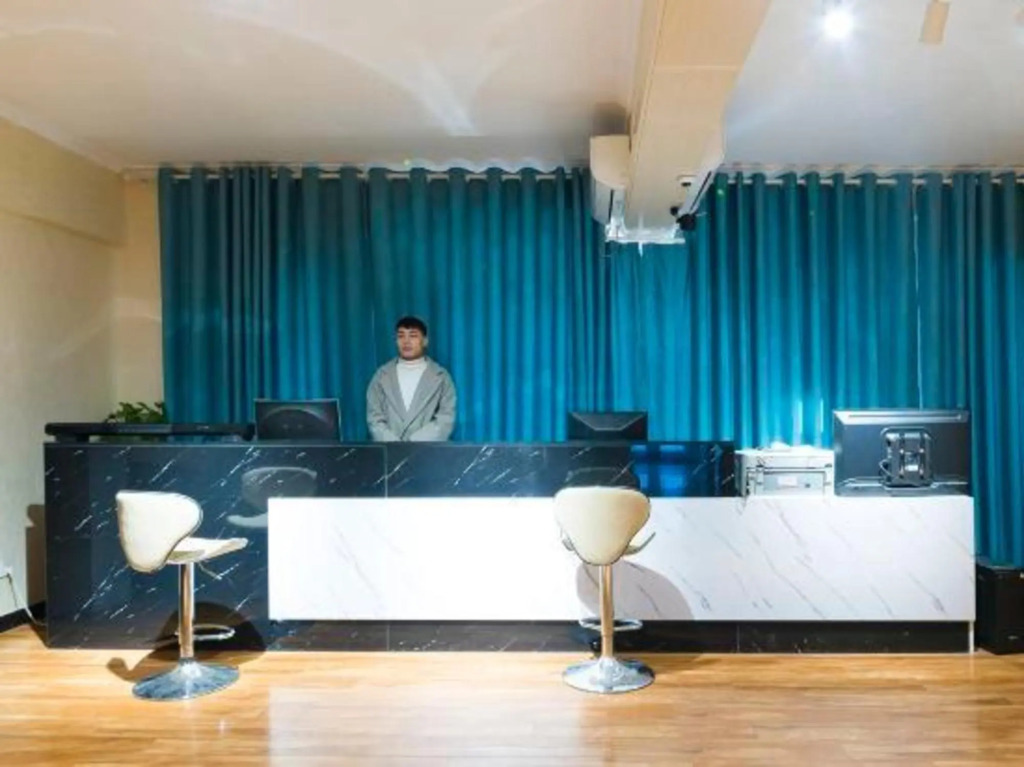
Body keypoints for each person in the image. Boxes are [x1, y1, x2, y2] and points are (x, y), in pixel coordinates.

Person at [366, 316, 456, 441]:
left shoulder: (441, 377)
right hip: (389, 450)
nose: (406, 341)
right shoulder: (381, 376)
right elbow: (374, 419)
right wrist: (394, 445)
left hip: (427, 450)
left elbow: (445, 420)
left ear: (425, 341)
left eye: (413, 336)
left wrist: (412, 444)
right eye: (401, 336)